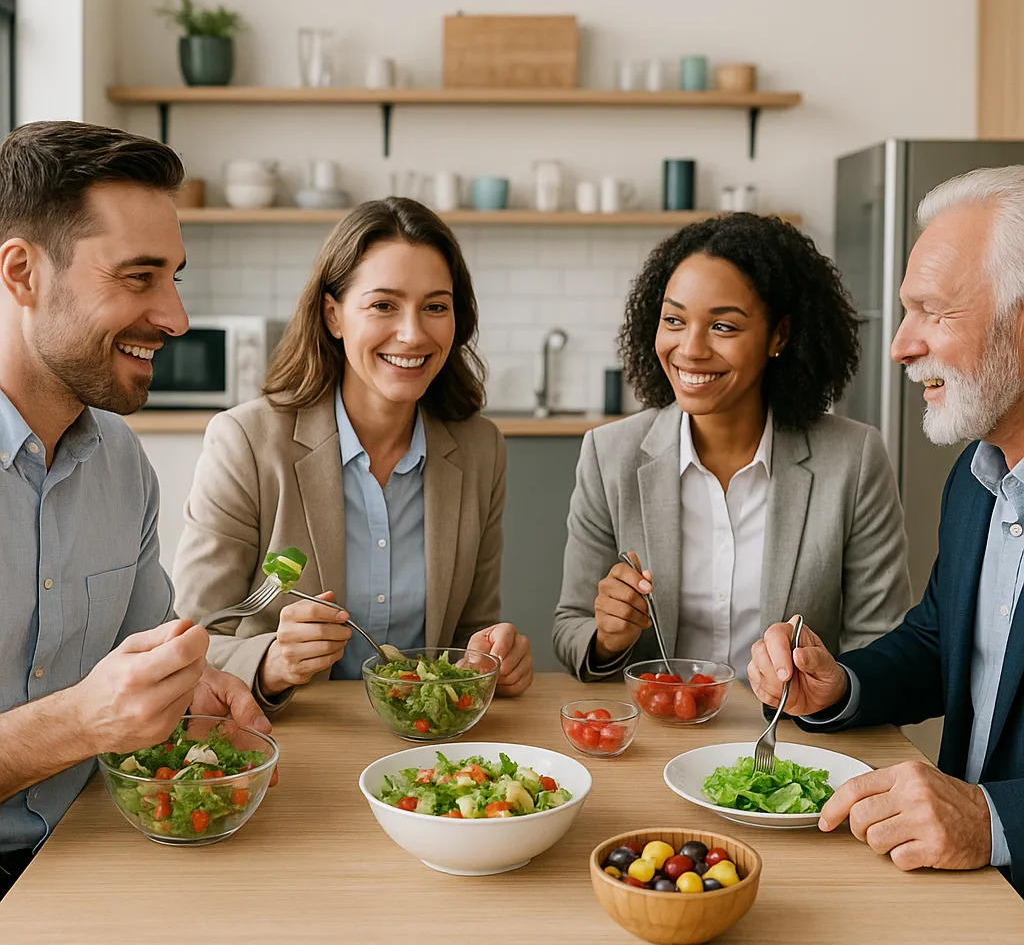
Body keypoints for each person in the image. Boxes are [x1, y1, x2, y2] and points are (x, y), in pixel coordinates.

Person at [0, 121, 269, 898]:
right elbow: (94, 716)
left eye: (173, 277)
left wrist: (188, 693)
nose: (176, 317)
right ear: (22, 273)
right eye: (139, 276)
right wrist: (81, 723)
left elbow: (141, 660)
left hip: (93, 852)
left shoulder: (120, 461)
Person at [747, 166, 1024, 894]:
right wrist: (838, 686)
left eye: (933, 312)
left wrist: (995, 819)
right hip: (967, 890)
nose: (900, 346)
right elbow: (941, 643)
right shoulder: (978, 477)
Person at [172, 197, 533, 708]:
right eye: (384, 305)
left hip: (425, 737)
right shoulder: (245, 442)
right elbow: (193, 637)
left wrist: (492, 656)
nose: (413, 333)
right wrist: (272, 663)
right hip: (291, 733)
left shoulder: (480, 449)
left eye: (435, 307)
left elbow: (469, 633)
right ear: (333, 315)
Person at [552, 213, 911, 682]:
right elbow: (570, 627)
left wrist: (828, 687)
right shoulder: (609, 454)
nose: (690, 349)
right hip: (656, 721)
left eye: (723, 326)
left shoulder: (854, 459)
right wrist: (607, 637)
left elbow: (882, 645)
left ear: (779, 335)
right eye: (674, 320)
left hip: (786, 726)